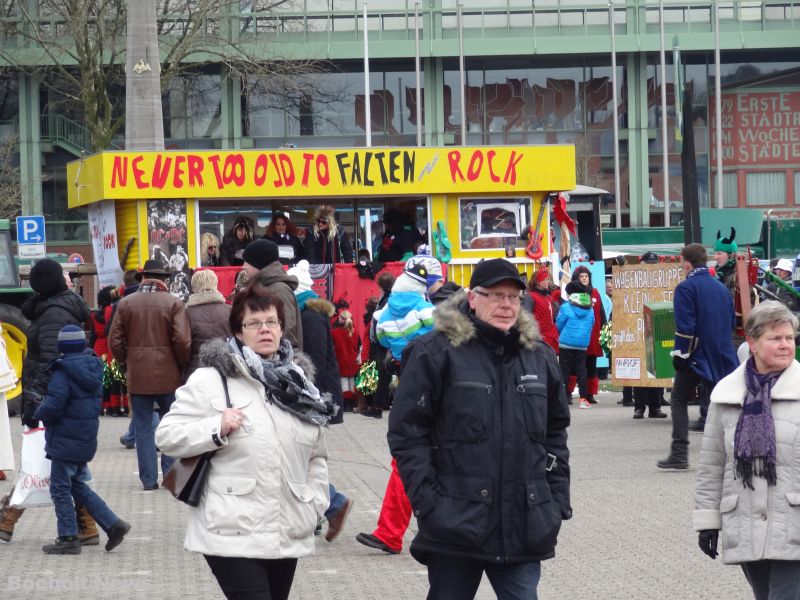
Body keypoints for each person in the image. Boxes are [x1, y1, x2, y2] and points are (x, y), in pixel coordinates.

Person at [387, 258, 571, 600]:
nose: (506, 305)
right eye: (496, 295)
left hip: (524, 521)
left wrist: (556, 500)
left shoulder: (539, 356)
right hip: (455, 522)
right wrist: (428, 503)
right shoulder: (436, 352)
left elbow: (556, 431)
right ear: (472, 298)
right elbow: (407, 432)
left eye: (514, 297)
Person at [155, 287, 331, 600]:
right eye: (255, 323)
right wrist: (215, 427)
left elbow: (317, 455)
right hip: (230, 528)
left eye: (272, 322)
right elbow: (166, 436)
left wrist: (315, 501)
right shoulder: (211, 379)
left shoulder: (298, 385)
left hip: (286, 525)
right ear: (238, 330)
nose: (265, 329)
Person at [694, 301, 800, 598]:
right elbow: (713, 464)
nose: (785, 345)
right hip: (746, 523)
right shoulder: (727, 394)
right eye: (775, 338)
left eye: (789, 338)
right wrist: (707, 523)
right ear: (752, 342)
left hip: (794, 525)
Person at [1, 259, 96, 545]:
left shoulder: (54, 313)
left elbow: (52, 362)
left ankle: (8, 518)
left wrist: (36, 403)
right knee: (63, 467)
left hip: (48, 400)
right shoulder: (54, 307)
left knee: (41, 463)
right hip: (54, 399)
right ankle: (89, 525)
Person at [34, 325, 131, 555]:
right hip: (85, 437)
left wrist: (39, 410)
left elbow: (55, 405)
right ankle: (114, 524)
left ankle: (68, 537)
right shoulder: (93, 367)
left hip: (65, 439)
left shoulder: (63, 371)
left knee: (59, 489)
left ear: (62, 347)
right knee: (77, 485)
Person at [109, 260, 192, 490]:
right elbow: (183, 341)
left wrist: (126, 361)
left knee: (143, 428)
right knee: (172, 424)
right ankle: (170, 475)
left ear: (143, 278)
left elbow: (114, 341)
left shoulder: (126, 304)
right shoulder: (174, 303)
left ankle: (148, 480)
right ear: (163, 279)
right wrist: (180, 364)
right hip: (170, 376)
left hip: (138, 376)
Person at [286, 260, 353, 542]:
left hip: (314, 396)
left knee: (302, 457)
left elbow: (312, 360)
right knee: (301, 457)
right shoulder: (311, 310)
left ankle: (331, 504)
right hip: (317, 395)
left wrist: (309, 399)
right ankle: (323, 508)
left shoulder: (311, 315)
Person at [658, 243, 738, 470]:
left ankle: (679, 452)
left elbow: (685, 327)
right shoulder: (721, 288)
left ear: (686, 262)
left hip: (698, 356)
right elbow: (731, 323)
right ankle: (730, 454)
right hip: (723, 355)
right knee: (720, 405)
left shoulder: (686, 288)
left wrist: (681, 355)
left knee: (679, 400)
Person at [243, 239, 304, 351]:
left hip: (279, 363)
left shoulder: (278, 290)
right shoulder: (266, 287)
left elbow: (287, 332)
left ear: (258, 263)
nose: (243, 267)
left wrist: (281, 361)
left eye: (246, 262)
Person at [570, 266, 607, 405]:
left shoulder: (595, 293)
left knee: (591, 365)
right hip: (578, 335)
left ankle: (590, 394)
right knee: (576, 366)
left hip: (593, 335)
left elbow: (601, 313)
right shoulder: (573, 294)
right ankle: (569, 393)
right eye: (581, 276)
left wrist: (604, 329)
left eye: (586, 276)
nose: (584, 278)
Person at [185, 269, 231, 379]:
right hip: (225, 367)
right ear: (215, 284)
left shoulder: (186, 313)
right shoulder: (230, 310)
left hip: (196, 371)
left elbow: (183, 344)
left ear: (194, 287)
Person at [556, 282, 595, 409]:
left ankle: (563, 398)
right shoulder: (590, 308)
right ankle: (583, 399)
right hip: (582, 344)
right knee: (582, 371)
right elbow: (592, 324)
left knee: (564, 370)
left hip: (566, 343)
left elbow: (559, 324)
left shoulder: (566, 307)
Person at [331, 310, 362, 411]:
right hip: (352, 362)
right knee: (352, 383)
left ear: (341, 319)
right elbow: (359, 346)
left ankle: (346, 405)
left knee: (343, 383)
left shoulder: (334, 332)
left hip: (341, 361)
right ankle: (352, 403)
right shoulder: (355, 332)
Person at [527, 268, 559, 354]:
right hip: (539, 339)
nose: (548, 281)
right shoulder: (531, 296)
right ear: (537, 282)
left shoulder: (549, 297)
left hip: (552, 338)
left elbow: (555, 317)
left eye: (548, 279)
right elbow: (525, 318)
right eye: (545, 279)